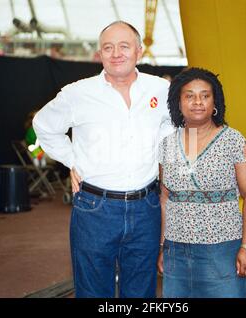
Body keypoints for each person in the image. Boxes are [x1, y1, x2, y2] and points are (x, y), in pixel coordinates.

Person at [32, 21, 174, 298]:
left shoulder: (161, 89)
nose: (116, 53)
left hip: (146, 207)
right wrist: (72, 160)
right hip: (95, 208)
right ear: (99, 54)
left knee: (141, 291)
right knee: (94, 292)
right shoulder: (78, 93)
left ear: (139, 51)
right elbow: (44, 125)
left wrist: (162, 156)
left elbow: (174, 125)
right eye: (108, 48)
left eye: (124, 46)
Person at [157, 67, 246, 298]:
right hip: (177, 249)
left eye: (205, 95)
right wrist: (163, 246)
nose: (197, 102)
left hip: (223, 249)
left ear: (215, 102)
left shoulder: (234, 141)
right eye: (189, 95)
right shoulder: (167, 144)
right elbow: (165, 197)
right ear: (179, 102)